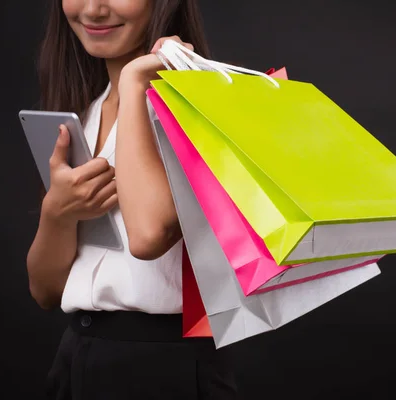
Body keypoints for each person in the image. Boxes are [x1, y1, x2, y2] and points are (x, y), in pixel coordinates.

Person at [25, 0, 238, 398]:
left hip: (163, 366)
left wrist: (134, 83)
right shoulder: (84, 113)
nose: (93, 9)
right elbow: (45, 290)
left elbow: (148, 237)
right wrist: (57, 213)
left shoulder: (194, 104)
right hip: (76, 356)